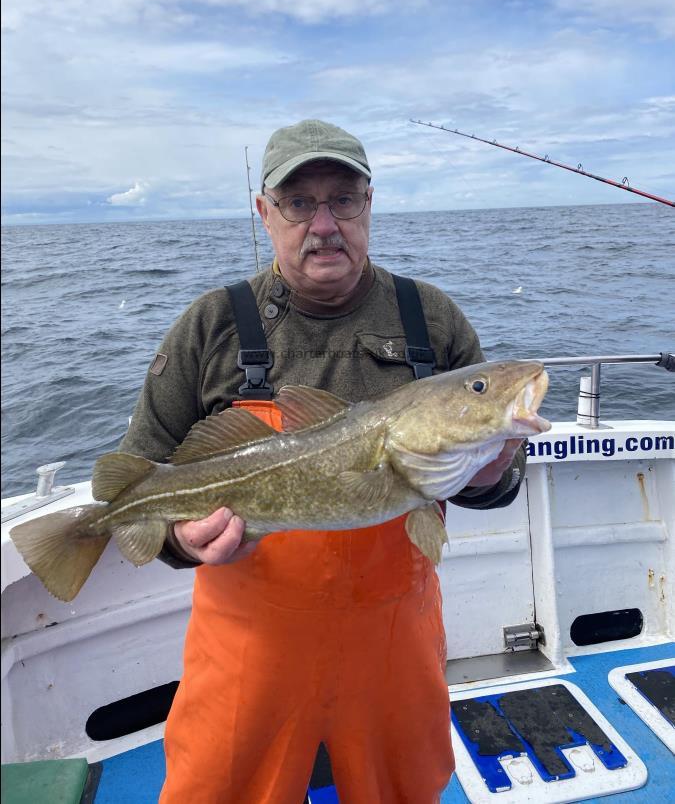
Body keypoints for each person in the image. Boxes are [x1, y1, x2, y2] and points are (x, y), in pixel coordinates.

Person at [119, 119, 526, 804]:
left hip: (395, 636)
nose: (324, 223)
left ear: (369, 204)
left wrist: (490, 474)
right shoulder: (211, 325)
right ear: (264, 212)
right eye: (299, 202)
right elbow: (142, 474)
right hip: (250, 643)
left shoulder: (432, 318)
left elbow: (490, 482)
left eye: (344, 199)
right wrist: (182, 542)